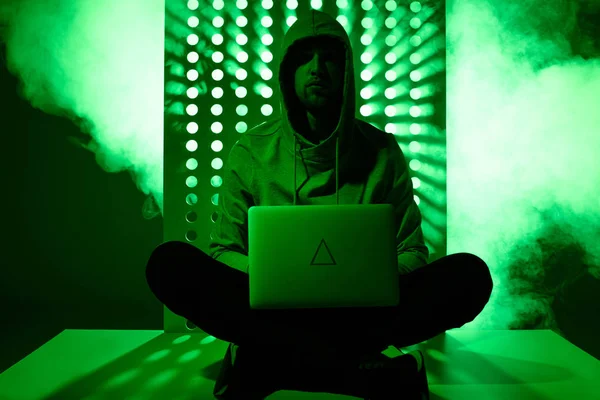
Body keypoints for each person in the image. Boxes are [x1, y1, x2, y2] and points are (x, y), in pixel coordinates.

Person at [145, 9, 494, 400]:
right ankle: (353, 368)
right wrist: (275, 279)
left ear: (346, 71)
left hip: (360, 314)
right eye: (303, 58)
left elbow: (413, 252)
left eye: (328, 57)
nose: (316, 69)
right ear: (286, 71)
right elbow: (223, 250)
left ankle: (273, 361)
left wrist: (364, 280)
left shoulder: (382, 151)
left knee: (469, 275)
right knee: (169, 264)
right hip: (276, 311)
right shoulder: (250, 152)